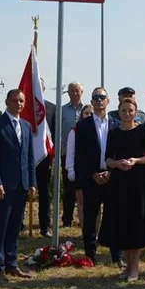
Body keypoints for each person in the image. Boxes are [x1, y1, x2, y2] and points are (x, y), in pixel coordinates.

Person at [100, 97, 145, 281]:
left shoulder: (143, 131)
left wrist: (136, 161)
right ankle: (127, 265)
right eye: (124, 111)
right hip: (119, 184)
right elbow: (108, 159)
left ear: (135, 112)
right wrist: (117, 163)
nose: (127, 114)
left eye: (130, 110)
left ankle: (135, 266)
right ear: (118, 113)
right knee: (123, 225)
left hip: (138, 183)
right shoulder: (113, 133)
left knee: (136, 224)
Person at [65, 87, 120, 266]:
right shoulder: (83, 126)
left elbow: (119, 153)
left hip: (111, 178)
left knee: (113, 218)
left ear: (108, 100)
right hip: (92, 178)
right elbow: (80, 155)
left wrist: (111, 173)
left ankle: (116, 256)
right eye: (95, 97)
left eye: (102, 97)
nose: (99, 100)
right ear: (92, 101)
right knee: (90, 218)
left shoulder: (115, 125)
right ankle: (91, 256)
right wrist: (92, 174)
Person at [0, 89, 38, 281]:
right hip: (4, 184)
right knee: (1, 225)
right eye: (15, 100)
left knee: (15, 226)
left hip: (22, 184)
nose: (19, 104)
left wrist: (32, 182)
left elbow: (30, 157)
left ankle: (12, 263)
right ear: (7, 101)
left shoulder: (25, 126)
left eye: (22, 101)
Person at [59, 82, 85, 228]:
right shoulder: (61, 110)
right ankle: (67, 220)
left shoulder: (89, 110)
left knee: (84, 189)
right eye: (72, 91)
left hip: (84, 156)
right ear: (68, 93)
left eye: (77, 91)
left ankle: (84, 219)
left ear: (82, 92)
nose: (75, 93)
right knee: (69, 188)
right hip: (66, 154)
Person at [34, 78, 58, 238]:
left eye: (39, 86)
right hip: (25, 157)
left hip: (44, 156)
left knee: (44, 193)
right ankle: (19, 224)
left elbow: (55, 133)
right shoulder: (23, 106)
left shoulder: (51, 108)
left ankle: (44, 226)